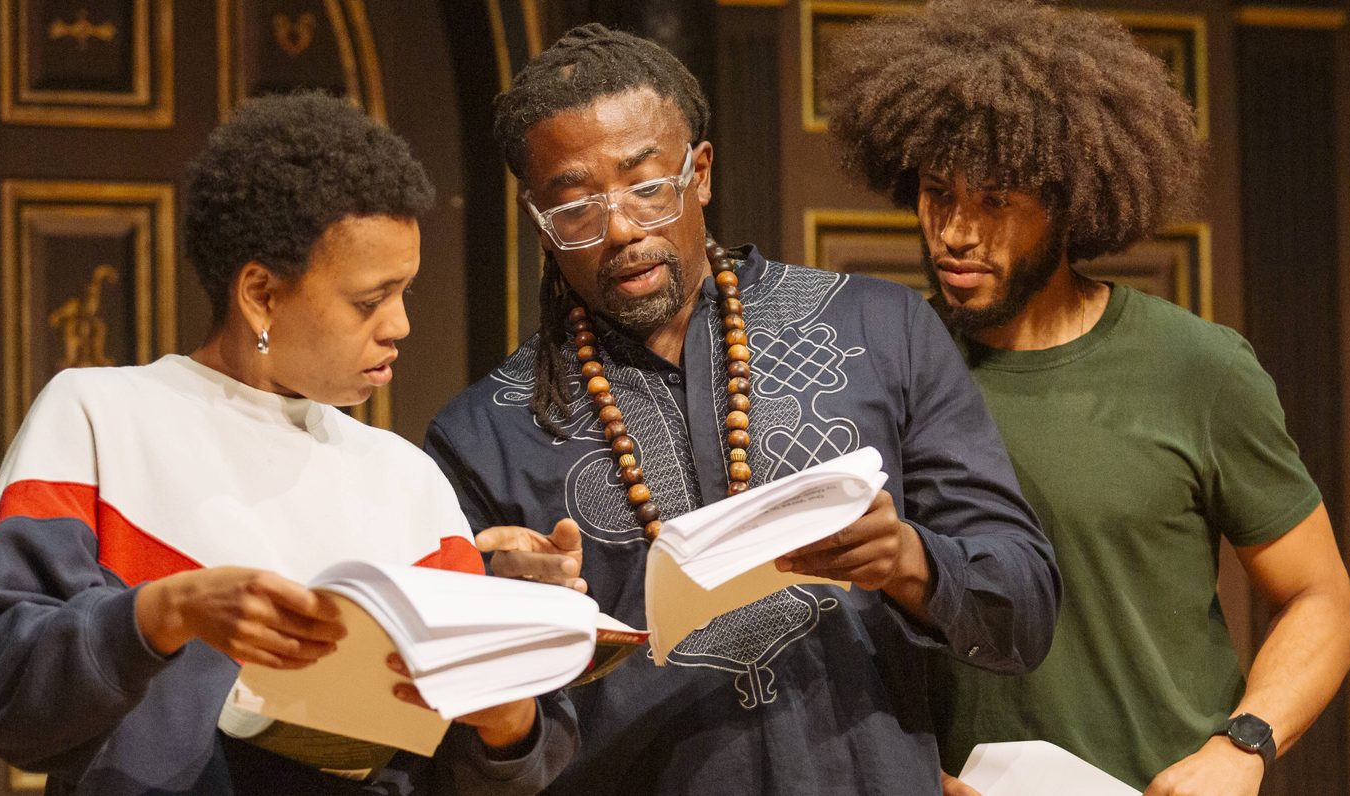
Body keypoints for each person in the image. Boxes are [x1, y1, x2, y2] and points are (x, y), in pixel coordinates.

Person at [423, 24, 1060, 795]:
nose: (620, 229)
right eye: (576, 209)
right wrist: (509, 651)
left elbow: (1023, 610)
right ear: (537, 220)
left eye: (647, 187)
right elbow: (478, 768)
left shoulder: (878, 330)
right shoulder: (484, 432)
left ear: (702, 173)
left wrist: (908, 561)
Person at [0, 93, 576, 795]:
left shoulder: (406, 481)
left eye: (406, 292)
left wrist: (509, 717)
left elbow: (471, 771)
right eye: (369, 300)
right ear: (261, 294)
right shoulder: (103, 418)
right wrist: (162, 614)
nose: (400, 325)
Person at [825, 2, 1350, 793]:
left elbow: (1323, 601)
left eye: (997, 201)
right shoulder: (885, 371)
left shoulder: (1196, 368)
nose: (957, 233)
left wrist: (1240, 750)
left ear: (1069, 202)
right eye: (938, 193)